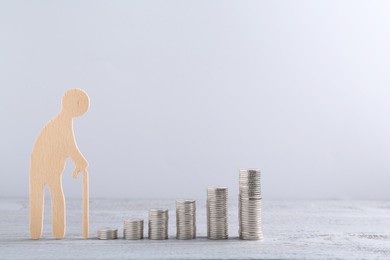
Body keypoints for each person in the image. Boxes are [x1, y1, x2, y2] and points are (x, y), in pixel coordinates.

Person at [30, 89, 89, 239]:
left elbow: (67, 147)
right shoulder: (61, 123)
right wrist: (81, 161)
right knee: (53, 196)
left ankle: (45, 232)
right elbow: (69, 146)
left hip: (46, 168)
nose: (80, 107)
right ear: (67, 103)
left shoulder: (61, 122)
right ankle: (50, 232)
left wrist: (79, 161)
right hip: (45, 167)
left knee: (45, 196)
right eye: (78, 103)